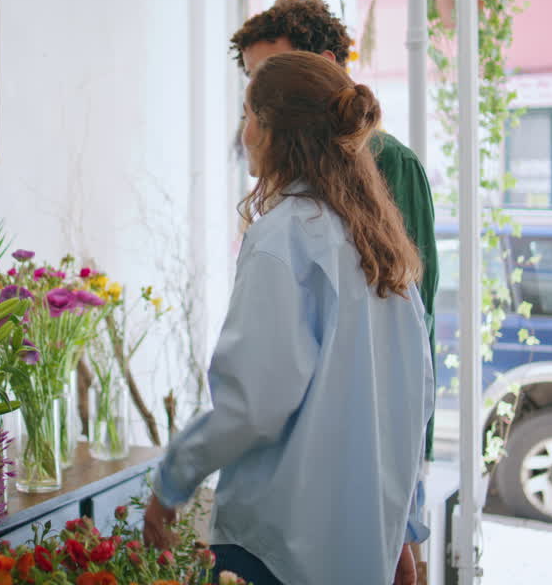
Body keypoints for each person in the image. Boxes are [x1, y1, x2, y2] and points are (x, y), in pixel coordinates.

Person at [143, 51, 434, 585]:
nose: (244, 131)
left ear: (276, 131)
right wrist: (403, 525)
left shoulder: (283, 237)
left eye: (249, 115)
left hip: (276, 550)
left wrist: (171, 481)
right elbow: (413, 400)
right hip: (363, 549)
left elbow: (255, 404)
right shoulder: (382, 242)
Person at [230, 0, 440, 583]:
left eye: (275, 76)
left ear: (324, 68)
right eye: (254, 84)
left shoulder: (387, 165)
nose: (263, 100)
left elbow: (411, 335)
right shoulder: (287, 185)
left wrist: (406, 497)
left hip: (366, 460)